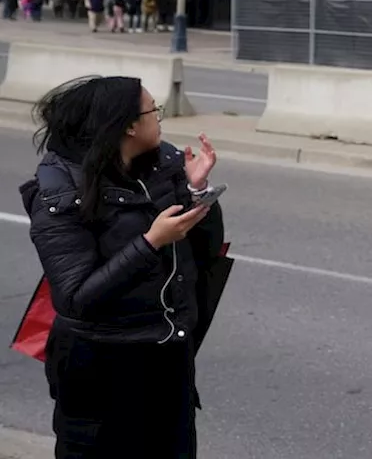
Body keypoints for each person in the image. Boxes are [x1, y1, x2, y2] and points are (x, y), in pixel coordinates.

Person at [21, 76, 227, 458]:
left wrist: (197, 192)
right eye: (153, 109)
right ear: (129, 125)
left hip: (166, 356)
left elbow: (206, 251)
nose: (159, 118)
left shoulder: (161, 165)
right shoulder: (59, 194)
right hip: (100, 368)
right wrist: (151, 242)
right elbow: (76, 297)